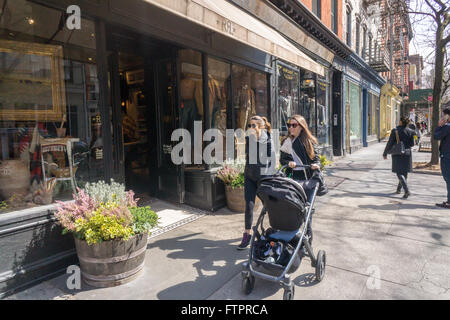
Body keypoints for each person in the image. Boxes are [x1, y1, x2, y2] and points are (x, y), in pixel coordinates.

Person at [279, 114, 321, 244]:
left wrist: (316, 165)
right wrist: (289, 162)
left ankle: (308, 234)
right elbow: (282, 159)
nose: (291, 127)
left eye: (294, 125)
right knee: (293, 208)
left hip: (308, 180)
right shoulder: (287, 142)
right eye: (289, 125)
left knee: (307, 209)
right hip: (293, 180)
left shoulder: (309, 141)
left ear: (301, 127)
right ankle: (294, 234)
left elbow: (317, 159)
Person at [237, 115, 276, 250]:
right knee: (249, 205)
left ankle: (275, 230)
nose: (250, 128)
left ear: (260, 126)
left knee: (268, 204)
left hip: (263, 177)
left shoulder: (269, 138)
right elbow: (248, 156)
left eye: (253, 125)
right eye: (249, 125)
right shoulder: (249, 138)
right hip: (249, 175)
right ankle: (247, 234)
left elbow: (269, 159)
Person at [383, 116, 415, 199]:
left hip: (397, 153)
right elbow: (413, 144)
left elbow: (390, 142)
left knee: (399, 172)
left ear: (401, 122)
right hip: (407, 153)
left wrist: (385, 153)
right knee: (404, 172)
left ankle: (407, 190)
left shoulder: (395, 131)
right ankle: (398, 190)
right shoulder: (411, 131)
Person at [434, 108, 450, 208]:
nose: (442, 117)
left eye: (443, 115)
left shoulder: (447, 127)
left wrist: (439, 126)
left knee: (448, 178)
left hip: (447, 156)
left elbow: (436, 136)